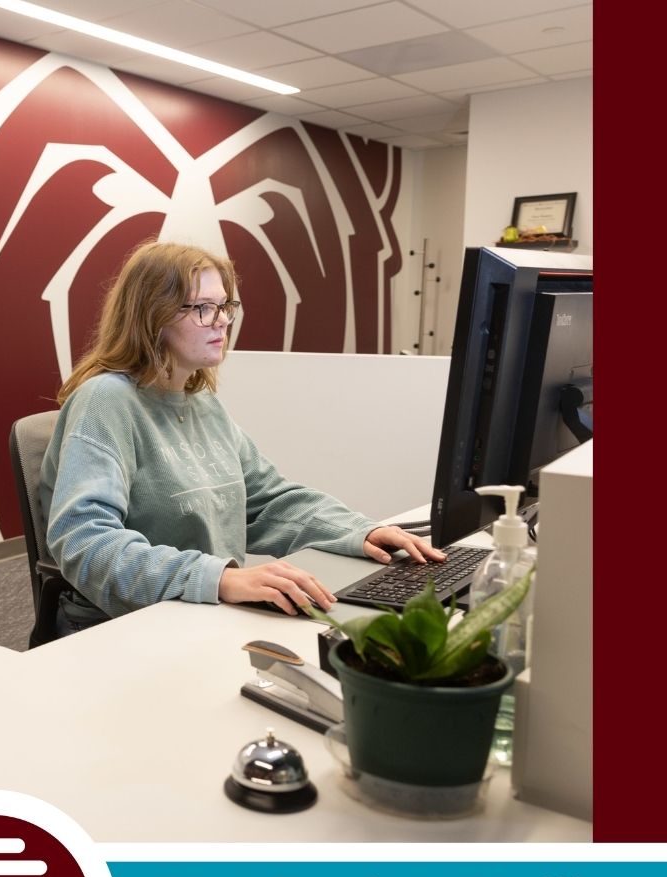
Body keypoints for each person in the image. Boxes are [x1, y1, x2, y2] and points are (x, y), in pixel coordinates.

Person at [40, 239, 443, 635]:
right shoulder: (105, 401)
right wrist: (218, 579)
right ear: (151, 316)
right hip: (124, 624)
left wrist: (357, 531)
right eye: (202, 308)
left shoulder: (201, 402)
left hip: (200, 609)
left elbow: (267, 501)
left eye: (224, 307)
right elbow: (84, 539)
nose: (221, 322)